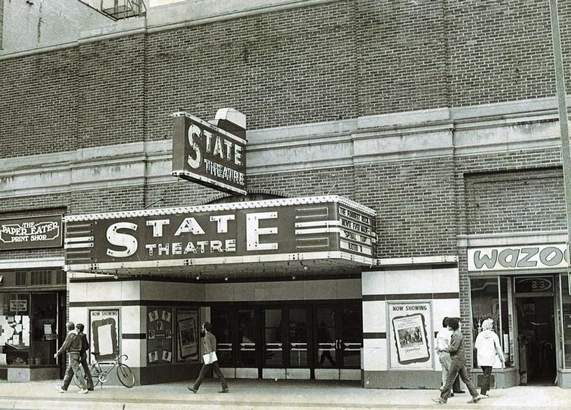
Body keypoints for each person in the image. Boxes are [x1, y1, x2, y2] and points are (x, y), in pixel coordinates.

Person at [433, 318, 484, 405]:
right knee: (466, 379)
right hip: (460, 359)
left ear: (452, 326)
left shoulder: (456, 335)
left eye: (449, 325)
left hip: (456, 360)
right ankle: (475, 395)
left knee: (449, 379)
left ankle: (442, 399)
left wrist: (443, 348)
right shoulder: (458, 334)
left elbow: (454, 348)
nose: (447, 326)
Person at [188, 322, 229, 394]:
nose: (202, 329)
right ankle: (225, 387)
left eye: (202, 327)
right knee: (218, 372)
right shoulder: (213, 336)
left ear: (205, 328)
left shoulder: (207, 336)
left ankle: (195, 388)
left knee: (202, 373)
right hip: (213, 356)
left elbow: (209, 348)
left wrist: (209, 358)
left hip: (209, 357)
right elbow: (214, 347)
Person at [54, 322, 88, 394]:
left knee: (77, 371)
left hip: (73, 354)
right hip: (77, 354)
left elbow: (65, 345)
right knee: (69, 371)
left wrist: (58, 353)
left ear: (68, 328)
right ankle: (64, 387)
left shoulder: (71, 335)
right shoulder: (78, 334)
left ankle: (84, 388)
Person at [474, 318, 504, 397]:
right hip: (489, 357)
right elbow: (498, 347)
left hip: (481, 357)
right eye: (492, 324)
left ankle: (486, 390)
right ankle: (483, 392)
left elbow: (476, 346)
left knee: (485, 373)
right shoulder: (493, 335)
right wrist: (502, 358)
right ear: (490, 326)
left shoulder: (480, 335)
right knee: (487, 375)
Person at [435, 317, 462, 397]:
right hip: (447, 353)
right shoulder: (449, 333)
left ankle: (449, 391)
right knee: (453, 372)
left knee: (445, 373)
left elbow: (437, 345)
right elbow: (452, 345)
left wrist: (439, 352)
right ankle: (446, 388)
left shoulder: (439, 333)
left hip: (441, 354)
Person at [76, 323, 94, 391]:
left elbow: (81, 347)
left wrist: (80, 354)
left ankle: (82, 385)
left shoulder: (79, 336)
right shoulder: (84, 335)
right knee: (87, 370)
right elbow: (87, 346)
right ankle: (91, 386)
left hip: (80, 355)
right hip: (84, 355)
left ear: (79, 329)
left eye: (76, 328)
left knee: (72, 369)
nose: (76, 329)